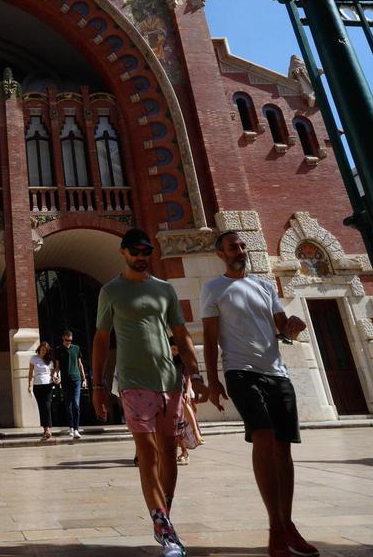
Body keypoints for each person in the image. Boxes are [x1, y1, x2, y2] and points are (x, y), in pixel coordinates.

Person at [201, 230, 318, 557]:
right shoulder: (213, 289)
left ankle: (289, 523)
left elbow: (281, 326)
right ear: (220, 255)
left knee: (284, 449)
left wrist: (291, 325)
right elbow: (210, 340)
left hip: (276, 372)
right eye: (232, 247)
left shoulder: (265, 287)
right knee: (264, 436)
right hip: (239, 372)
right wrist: (212, 381)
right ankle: (275, 529)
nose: (240, 250)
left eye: (241, 246)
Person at [92, 228, 206, 557]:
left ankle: (164, 517)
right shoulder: (111, 291)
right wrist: (98, 386)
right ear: (123, 252)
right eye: (136, 251)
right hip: (132, 382)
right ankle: (163, 525)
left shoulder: (165, 290)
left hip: (169, 381)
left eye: (146, 252)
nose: (141, 257)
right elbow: (101, 339)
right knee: (147, 452)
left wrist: (195, 373)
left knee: (169, 451)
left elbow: (182, 335)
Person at [53, 329, 87, 439]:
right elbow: (57, 366)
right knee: (68, 405)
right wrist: (56, 375)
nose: (69, 342)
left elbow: (80, 364)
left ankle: (76, 429)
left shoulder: (76, 348)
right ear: (63, 338)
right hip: (66, 381)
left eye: (70, 340)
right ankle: (71, 427)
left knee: (76, 405)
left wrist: (84, 378)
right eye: (67, 340)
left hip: (76, 379)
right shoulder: (58, 350)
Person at [27, 341, 56, 441]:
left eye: (46, 350)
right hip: (37, 385)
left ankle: (48, 429)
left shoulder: (49, 360)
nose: (44, 351)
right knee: (41, 407)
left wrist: (56, 378)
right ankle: (45, 429)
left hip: (48, 385)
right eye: (42, 349)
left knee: (47, 405)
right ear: (39, 349)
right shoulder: (34, 358)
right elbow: (30, 373)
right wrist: (29, 385)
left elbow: (52, 374)